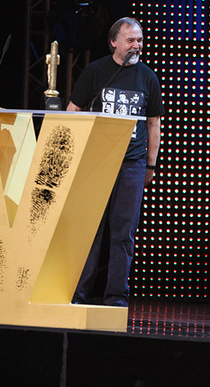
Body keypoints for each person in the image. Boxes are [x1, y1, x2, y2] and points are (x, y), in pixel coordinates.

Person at [67, 17, 164, 307]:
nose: (137, 45)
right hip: (96, 162)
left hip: (131, 165)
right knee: (91, 230)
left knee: (124, 232)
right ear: (114, 42)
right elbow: (73, 110)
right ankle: (78, 295)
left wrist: (150, 165)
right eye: (131, 40)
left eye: (140, 40)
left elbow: (154, 124)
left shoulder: (148, 77)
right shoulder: (96, 72)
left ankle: (115, 297)